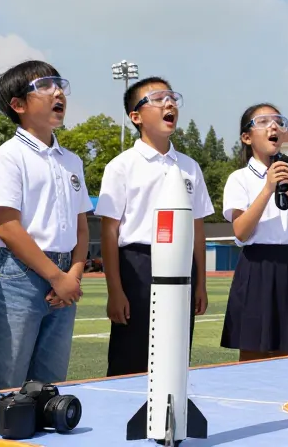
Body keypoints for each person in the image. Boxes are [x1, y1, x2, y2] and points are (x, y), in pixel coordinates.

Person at [0, 61, 92, 391]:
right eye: (44, 85)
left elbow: (81, 226)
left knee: (50, 382)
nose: (58, 92)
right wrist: (58, 277)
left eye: (59, 84)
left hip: (64, 275)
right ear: (18, 105)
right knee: (6, 383)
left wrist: (74, 273)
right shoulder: (7, 157)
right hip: (19, 275)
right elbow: (9, 228)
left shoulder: (71, 161)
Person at [96, 77, 214, 375]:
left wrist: (200, 282)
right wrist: (115, 291)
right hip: (137, 265)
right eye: (159, 98)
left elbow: (197, 228)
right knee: (131, 356)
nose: (170, 103)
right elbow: (110, 231)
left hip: (181, 266)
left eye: (172, 97)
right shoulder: (121, 165)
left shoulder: (189, 166)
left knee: (174, 354)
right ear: (135, 117)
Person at [220, 103, 288, 361]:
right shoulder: (239, 179)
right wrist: (267, 189)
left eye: (278, 122)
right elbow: (241, 231)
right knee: (252, 350)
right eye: (263, 121)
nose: (273, 126)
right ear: (246, 137)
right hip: (255, 266)